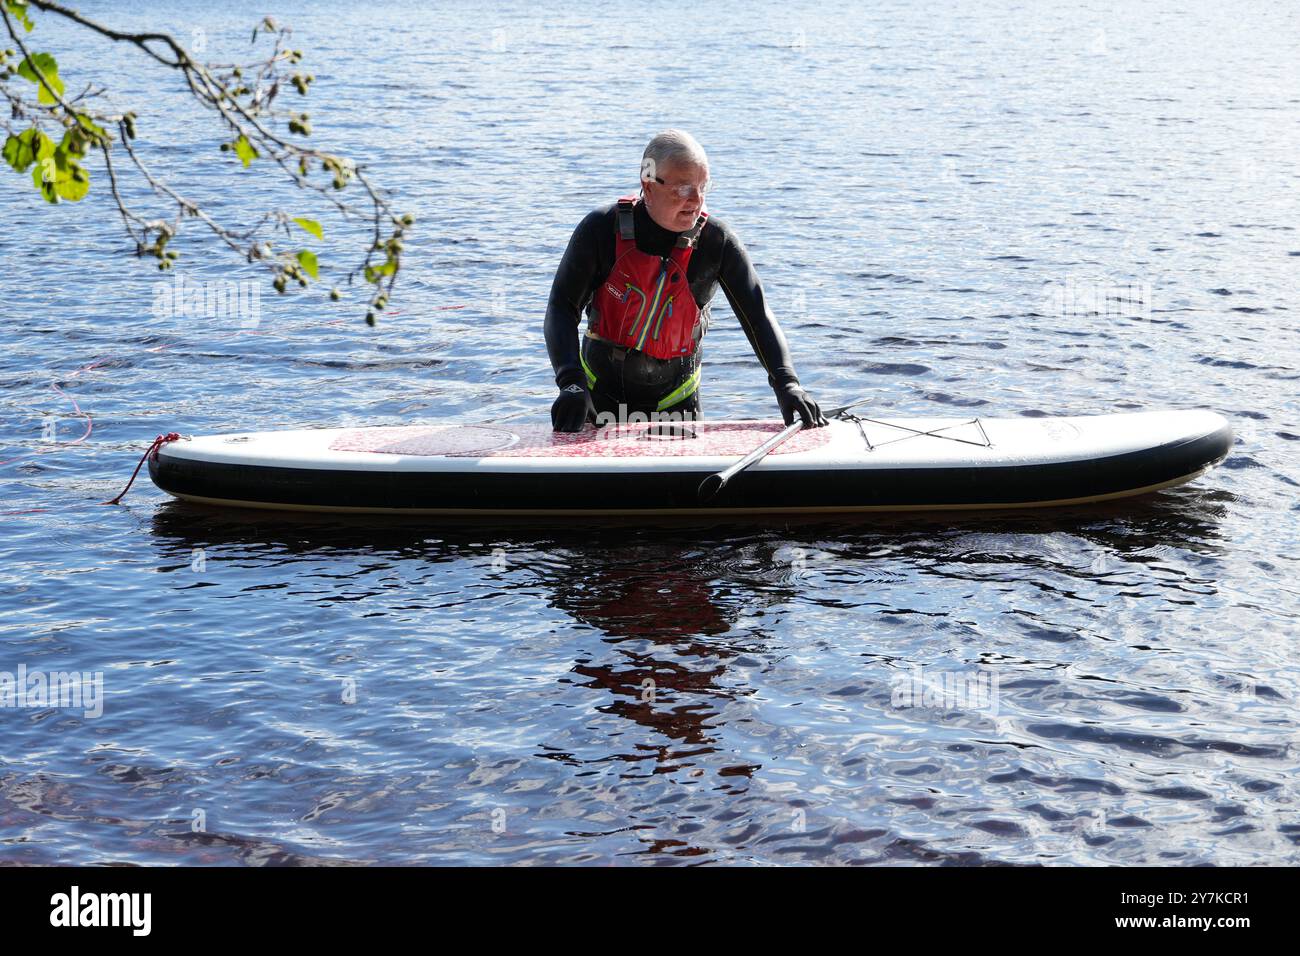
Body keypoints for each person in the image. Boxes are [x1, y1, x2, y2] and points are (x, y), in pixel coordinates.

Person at [545, 129, 828, 432]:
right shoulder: (600, 230)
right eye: (682, 189)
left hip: (677, 405)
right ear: (648, 185)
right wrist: (571, 383)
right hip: (596, 397)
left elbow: (757, 317)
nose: (696, 200)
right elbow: (561, 309)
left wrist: (787, 383)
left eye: (703, 187)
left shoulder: (717, 243)